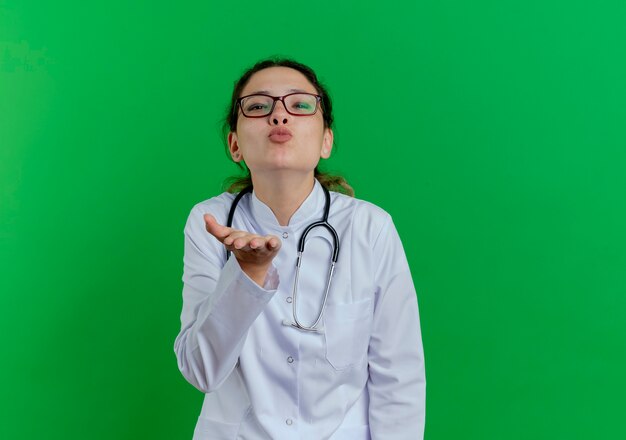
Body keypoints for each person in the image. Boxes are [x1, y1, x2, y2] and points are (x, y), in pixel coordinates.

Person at [174, 58, 426, 440]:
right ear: (235, 144)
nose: (279, 116)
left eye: (300, 105)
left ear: (326, 140)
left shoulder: (370, 227)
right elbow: (201, 371)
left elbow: (399, 377)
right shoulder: (209, 223)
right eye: (258, 106)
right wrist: (246, 276)